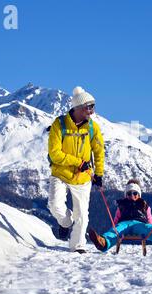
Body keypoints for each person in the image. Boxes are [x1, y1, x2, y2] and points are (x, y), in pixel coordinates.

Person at [47, 86, 105, 254]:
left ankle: (78, 245)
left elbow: (99, 151)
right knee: (54, 205)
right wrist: (78, 162)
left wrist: (99, 173)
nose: (92, 110)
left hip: (82, 177)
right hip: (60, 173)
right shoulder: (59, 124)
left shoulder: (93, 128)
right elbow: (55, 153)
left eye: (93, 106)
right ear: (78, 107)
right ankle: (65, 221)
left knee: (82, 215)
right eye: (89, 106)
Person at [88, 179, 152, 252]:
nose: (132, 196)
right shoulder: (122, 205)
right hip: (124, 224)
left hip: (139, 223)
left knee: (147, 228)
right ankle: (103, 242)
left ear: (139, 194)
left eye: (135, 193)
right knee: (115, 231)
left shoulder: (144, 205)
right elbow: (117, 218)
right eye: (129, 193)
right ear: (126, 195)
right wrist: (115, 226)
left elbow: (149, 218)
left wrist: (151, 226)